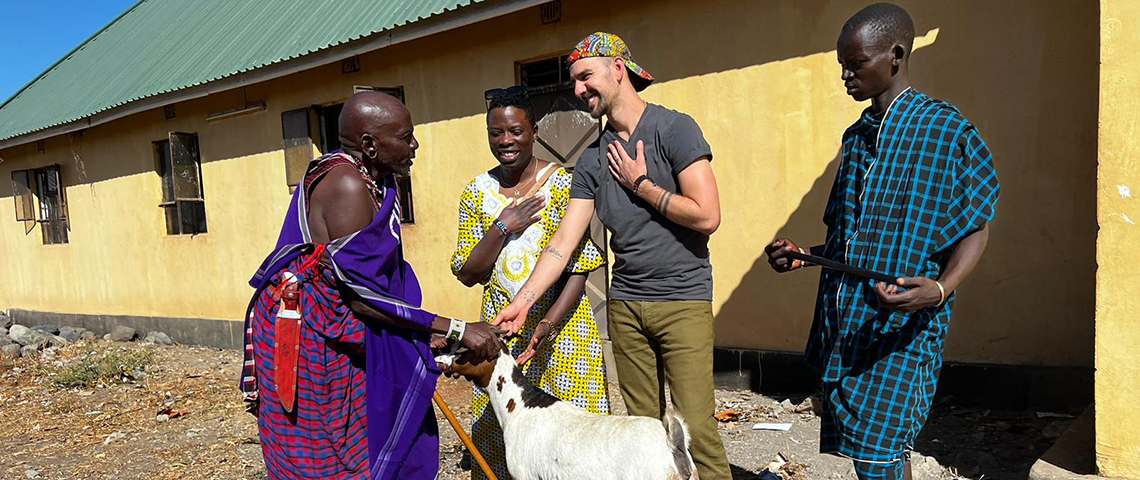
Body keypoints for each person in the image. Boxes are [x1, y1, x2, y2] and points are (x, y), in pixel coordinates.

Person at [765, 4, 1000, 479]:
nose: (846, 76)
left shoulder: (947, 131)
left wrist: (938, 289)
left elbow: (976, 225)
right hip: (847, 322)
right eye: (842, 66)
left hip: (903, 329)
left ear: (896, 55)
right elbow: (849, 238)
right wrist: (807, 256)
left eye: (856, 64)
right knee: (876, 458)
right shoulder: (856, 138)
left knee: (879, 454)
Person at [493, 32, 731, 480]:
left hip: (682, 301)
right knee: (639, 436)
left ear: (617, 69)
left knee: (695, 431)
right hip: (626, 309)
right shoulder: (591, 160)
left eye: (586, 77)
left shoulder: (673, 129)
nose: (579, 90)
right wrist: (522, 303)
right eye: (575, 81)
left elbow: (707, 215)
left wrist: (643, 186)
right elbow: (563, 243)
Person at [240, 91, 503, 480]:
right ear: (370, 145)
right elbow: (362, 298)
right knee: (338, 449)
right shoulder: (347, 186)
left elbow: (377, 276)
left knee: (372, 429)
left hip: (345, 324)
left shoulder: (376, 181)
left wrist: (418, 330)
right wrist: (455, 328)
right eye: (405, 136)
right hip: (317, 334)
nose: (414, 145)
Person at [450, 87, 609, 480]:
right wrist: (503, 226)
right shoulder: (476, 192)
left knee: (576, 439)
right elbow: (470, 273)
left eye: (516, 131)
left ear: (534, 131)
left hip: (563, 332)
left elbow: (579, 267)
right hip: (501, 333)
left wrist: (547, 325)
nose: (506, 141)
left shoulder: (563, 184)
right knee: (504, 433)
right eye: (496, 133)